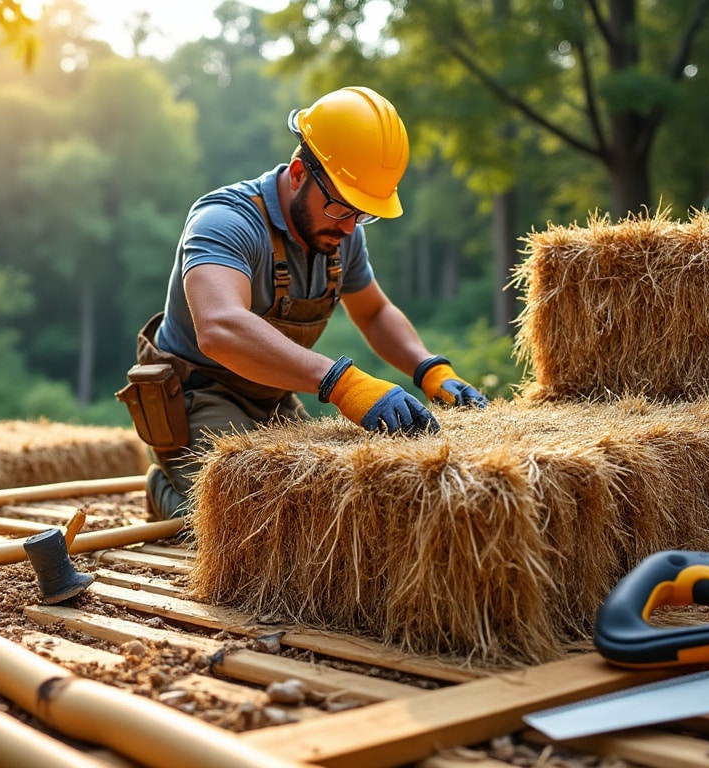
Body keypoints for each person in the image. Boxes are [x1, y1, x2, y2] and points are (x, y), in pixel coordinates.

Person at [125, 85, 487, 520]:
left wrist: (428, 368)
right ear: (299, 173)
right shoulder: (225, 220)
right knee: (250, 525)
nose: (351, 227)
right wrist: (344, 384)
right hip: (199, 396)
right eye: (341, 208)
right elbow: (220, 328)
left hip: (274, 394)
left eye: (362, 213)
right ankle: (167, 492)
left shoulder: (342, 230)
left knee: (325, 507)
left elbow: (373, 313)